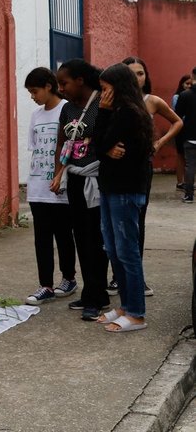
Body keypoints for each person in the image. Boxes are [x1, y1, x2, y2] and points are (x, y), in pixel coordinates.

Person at [114, 57, 182, 297]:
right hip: (113, 170)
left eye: (141, 73)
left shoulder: (151, 101)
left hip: (141, 169)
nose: (137, 78)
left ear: (146, 76)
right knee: (113, 225)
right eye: (131, 73)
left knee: (136, 223)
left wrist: (160, 142)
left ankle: (136, 277)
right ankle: (116, 276)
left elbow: (177, 121)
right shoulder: (113, 101)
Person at [94, 63, 154, 332]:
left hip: (125, 191)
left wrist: (104, 122)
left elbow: (100, 142)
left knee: (127, 252)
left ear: (118, 87)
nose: (102, 94)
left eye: (105, 89)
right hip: (110, 188)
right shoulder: (118, 111)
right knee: (113, 249)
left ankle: (137, 314)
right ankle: (125, 306)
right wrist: (106, 148)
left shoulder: (129, 113)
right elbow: (99, 146)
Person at [50, 59, 110, 321]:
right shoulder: (67, 109)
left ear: (80, 80)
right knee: (80, 238)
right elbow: (62, 142)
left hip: (96, 180)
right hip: (74, 179)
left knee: (95, 239)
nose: (60, 88)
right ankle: (91, 292)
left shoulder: (102, 104)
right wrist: (58, 172)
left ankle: (97, 298)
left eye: (64, 83)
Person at [23, 67, 77, 305]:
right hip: (37, 187)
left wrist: (60, 174)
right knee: (41, 238)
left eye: (35, 91)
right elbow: (35, 148)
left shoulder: (67, 110)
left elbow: (72, 148)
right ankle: (45, 285)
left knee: (64, 235)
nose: (33, 96)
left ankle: (69, 278)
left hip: (60, 187)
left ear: (48, 86)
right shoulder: (36, 115)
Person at [176, 67, 196, 204]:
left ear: (192, 76)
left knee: (190, 166)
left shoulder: (185, 95)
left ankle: (189, 195)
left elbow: (177, 116)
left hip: (189, 135)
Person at [173, 74, 193, 190]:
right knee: (181, 155)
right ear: (182, 84)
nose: (189, 86)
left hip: (189, 129)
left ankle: (188, 182)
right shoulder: (177, 97)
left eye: (190, 84)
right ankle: (180, 182)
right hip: (181, 129)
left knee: (189, 158)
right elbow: (177, 114)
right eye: (187, 83)